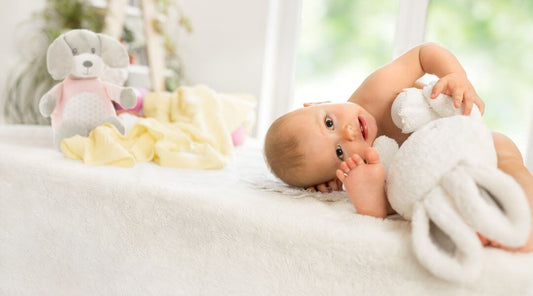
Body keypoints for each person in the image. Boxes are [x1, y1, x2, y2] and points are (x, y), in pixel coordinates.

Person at [263, 42, 533, 251]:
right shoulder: (367, 165)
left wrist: (455, 75)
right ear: (335, 175)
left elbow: (423, 54)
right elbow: (398, 201)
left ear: (317, 102)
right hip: (437, 176)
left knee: (503, 148)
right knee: (409, 199)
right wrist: (356, 184)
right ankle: (476, 223)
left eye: (329, 122)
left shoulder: (375, 91)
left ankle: (528, 210)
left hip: (467, 140)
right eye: (338, 153)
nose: (347, 133)